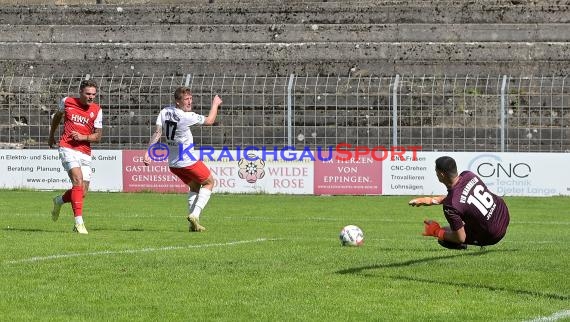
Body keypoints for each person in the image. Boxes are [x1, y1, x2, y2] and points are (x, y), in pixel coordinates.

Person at [143, 86, 222, 232]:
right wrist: (215, 104)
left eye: (191, 99)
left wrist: (149, 151)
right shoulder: (187, 116)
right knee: (209, 182)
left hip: (173, 164)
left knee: (194, 186)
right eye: (186, 99)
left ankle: (193, 224)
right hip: (188, 161)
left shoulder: (165, 111)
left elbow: (157, 132)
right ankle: (195, 215)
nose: (189, 102)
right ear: (177, 102)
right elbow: (210, 121)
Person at [409, 156, 510, 249]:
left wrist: (436, 231)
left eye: (436, 171)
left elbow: (460, 238)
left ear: (441, 174)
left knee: (445, 236)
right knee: (449, 229)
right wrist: (431, 200)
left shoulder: (450, 206)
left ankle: (464, 246)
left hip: (494, 234)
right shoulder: (468, 175)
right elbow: (461, 198)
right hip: (504, 213)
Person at [48, 79, 103, 234]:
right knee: (77, 180)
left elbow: (98, 136)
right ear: (80, 92)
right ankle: (79, 223)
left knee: (82, 191)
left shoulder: (97, 110)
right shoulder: (67, 102)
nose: (91, 97)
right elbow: (57, 117)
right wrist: (52, 135)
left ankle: (59, 200)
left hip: (84, 150)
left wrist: (83, 137)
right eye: (88, 94)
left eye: (93, 94)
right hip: (67, 147)